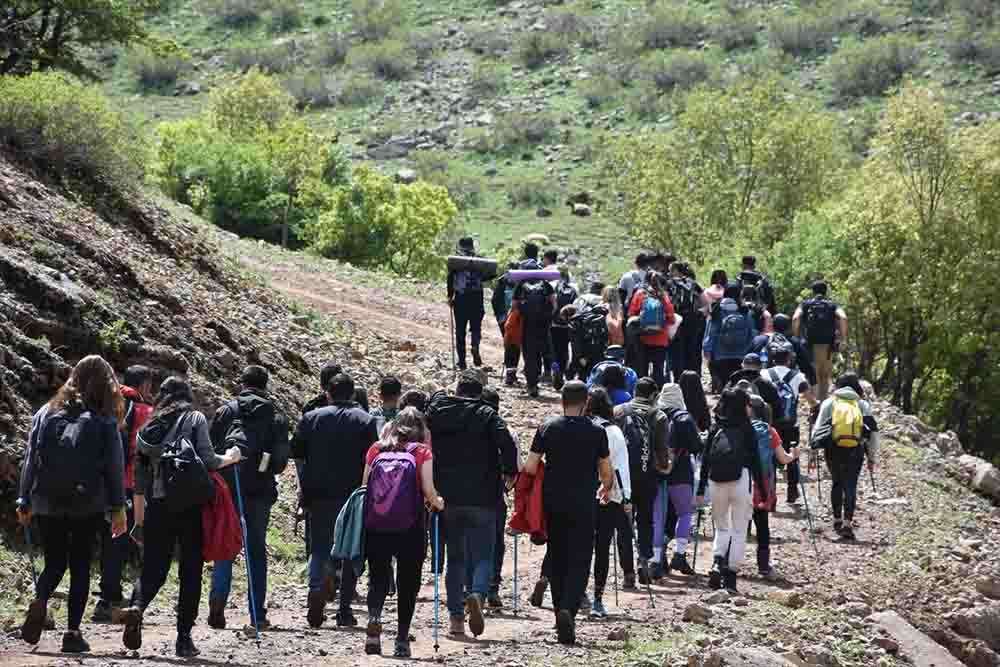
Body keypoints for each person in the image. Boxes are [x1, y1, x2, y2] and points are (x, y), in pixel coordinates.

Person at [123, 377, 242, 657]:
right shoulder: (195, 418)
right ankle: (184, 638)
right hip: (190, 508)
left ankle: (137, 607)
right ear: (187, 396)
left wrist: (139, 522)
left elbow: (139, 481)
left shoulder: (148, 427)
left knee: (153, 569)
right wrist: (232, 457)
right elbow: (209, 460)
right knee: (190, 572)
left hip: (156, 507)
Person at [17, 355, 128, 654]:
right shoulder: (104, 419)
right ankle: (72, 633)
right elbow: (114, 468)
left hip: (45, 499)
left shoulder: (45, 412)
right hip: (87, 502)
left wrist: (24, 498)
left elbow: (30, 458)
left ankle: (40, 599)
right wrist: (118, 507)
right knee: (80, 566)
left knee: (54, 562)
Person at [425, 371, 517, 637]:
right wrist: (509, 473)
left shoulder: (439, 411)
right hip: (484, 497)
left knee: (454, 558)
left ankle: (455, 618)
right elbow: (507, 444)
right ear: (478, 393)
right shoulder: (487, 415)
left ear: (457, 389)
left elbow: (423, 427)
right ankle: (476, 593)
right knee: (483, 555)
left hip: (448, 498)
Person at [524, 381, 612, 645]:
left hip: (553, 503)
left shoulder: (547, 427)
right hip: (584, 504)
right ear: (586, 402)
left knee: (559, 556)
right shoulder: (597, 431)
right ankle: (568, 610)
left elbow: (530, 466)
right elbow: (605, 471)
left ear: (561, 401)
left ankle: (559, 608)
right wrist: (605, 488)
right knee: (581, 558)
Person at [293, 373, 379, 629]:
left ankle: (316, 587)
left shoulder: (311, 418)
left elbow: (296, 451)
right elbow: (374, 458)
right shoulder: (366, 420)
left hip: (318, 493)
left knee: (320, 547)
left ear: (327, 393)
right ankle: (344, 610)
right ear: (352, 395)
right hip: (353, 496)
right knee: (352, 550)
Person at [208, 366, 290, 631]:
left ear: (241, 384)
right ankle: (257, 613)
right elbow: (279, 463)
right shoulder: (275, 416)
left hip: (228, 489)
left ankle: (217, 605)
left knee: (225, 544)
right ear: (266, 386)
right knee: (255, 550)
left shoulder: (226, 411)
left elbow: (210, 450)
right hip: (260, 492)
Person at [362, 408, 444, 657]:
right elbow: (429, 492)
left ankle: (374, 627)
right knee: (408, 582)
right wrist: (439, 502)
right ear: (421, 431)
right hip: (411, 525)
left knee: (377, 577)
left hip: (377, 524)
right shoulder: (422, 452)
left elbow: (364, 487)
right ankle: (400, 640)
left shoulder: (376, 449)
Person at [94, 365, 154, 623]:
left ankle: (110, 595)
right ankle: (110, 601)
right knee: (132, 540)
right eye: (150, 386)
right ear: (143, 386)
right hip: (131, 485)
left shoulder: (104, 407)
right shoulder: (144, 412)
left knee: (111, 541)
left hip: (101, 485)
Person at [695, 388, 762, 594]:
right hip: (740, 479)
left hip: (717, 480)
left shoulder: (717, 426)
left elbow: (705, 458)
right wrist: (762, 488)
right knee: (739, 530)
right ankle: (731, 577)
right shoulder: (747, 428)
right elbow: (756, 461)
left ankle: (716, 563)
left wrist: (701, 488)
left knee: (722, 527)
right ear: (743, 405)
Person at [811, 373, 880, 541]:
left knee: (837, 482)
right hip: (856, 449)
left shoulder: (829, 403)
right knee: (851, 484)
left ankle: (836, 520)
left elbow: (818, 428)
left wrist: (813, 451)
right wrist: (871, 457)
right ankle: (848, 523)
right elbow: (873, 433)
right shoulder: (862, 404)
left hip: (833, 448)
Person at [614, 377, 670, 585]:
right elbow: (662, 453)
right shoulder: (659, 415)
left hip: (622, 478)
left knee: (623, 525)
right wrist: (665, 466)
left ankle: (627, 572)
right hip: (647, 478)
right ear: (654, 395)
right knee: (646, 521)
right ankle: (643, 561)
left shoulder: (618, 411)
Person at [586, 387, 633, 618]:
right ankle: (597, 598)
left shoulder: (581, 427)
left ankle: (575, 594)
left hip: (580, 494)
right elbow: (621, 468)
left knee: (580, 546)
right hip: (607, 496)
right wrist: (626, 498)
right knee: (602, 547)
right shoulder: (613, 431)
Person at [654, 383, 703, 577]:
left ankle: (656, 561)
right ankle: (680, 554)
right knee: (684, 513)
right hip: (680, 472)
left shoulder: (654, 415)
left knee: (658, 517)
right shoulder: (684, 418)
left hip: (656, 473)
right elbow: (697, 446)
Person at [748, 395, 799, 578]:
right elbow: (783, 459)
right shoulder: (769, 432)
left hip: (740, 484)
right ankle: (763, 566)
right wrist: (794, 454)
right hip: (762, 486)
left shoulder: (738, 429)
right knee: (762, 526)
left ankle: (727, 564)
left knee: (735, 526)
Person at [762, 346, 817, 505]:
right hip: (790, 423)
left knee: (770, 457)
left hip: (769, 424)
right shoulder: (798, 376)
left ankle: (770, 494)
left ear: (772, 359)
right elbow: (810, 400)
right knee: (792, 454)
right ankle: (792, 491)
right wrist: (816, 406)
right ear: (789, 359)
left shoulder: (764, 374)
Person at [480, 386, 519, 609]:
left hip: (468, 492)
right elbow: (517, 469)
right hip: (496, 494)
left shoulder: (467, 426)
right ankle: (493, 588)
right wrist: (508, 485)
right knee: (496, 541)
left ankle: (471, 589)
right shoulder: (507, 430)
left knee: (471, 540)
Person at [793, 281, 848, 402]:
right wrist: (843, 339)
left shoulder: (806, 304)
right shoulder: (832, 305)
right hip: (828, 346)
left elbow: (796, 318)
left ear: (813, 291)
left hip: (810, 345)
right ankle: (824, 403)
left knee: (814, 375)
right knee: (825, 376)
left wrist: (796, 338)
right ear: (826, 291)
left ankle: (815, 405)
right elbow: (843, 317)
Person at [513, 261, 556, 398]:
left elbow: (514, 306)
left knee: (530, 355)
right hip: (543, 326)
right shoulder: (546, 284)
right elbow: (554, 304)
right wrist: (548, 317)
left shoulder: (520, 286)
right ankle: (554, 374)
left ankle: (532, 385)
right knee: (545, 351)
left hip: (527, 325)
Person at [704, 282, 757, 393]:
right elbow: (752, 334)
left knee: (724, 388)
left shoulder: (717, 310)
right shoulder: (745, 311)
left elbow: (710, 334)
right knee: (739, 388)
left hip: (720, 357)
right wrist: (746, 349)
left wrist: (707, 352)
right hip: (740, 356)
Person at [628, 271, 676, 386]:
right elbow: (672, 319)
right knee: (658, 370)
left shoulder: (640, 294)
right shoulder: (663, 296)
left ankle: (642, 394)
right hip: (660, 339)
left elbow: (631, 314)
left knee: (642, 370)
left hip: (642, 337)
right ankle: (657, 395)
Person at [448, 237, 486, 370]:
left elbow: (450, 278)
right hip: (477, 299)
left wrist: (450, 296)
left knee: (460, 330)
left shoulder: (456, 261)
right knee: (476, 328)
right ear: (472, 246)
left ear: (460, 246)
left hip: (461, 299)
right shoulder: (480, 259)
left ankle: (462, 361)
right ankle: (475, 346)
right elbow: (488, 276)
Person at [752, 313, 817, 387]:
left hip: (765, 382)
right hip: (788, 383)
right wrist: (813, 381)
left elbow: (750, 360)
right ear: (788, 327)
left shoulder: (759, 340)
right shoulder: (794, 342)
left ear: (772, 325)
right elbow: (805, 364)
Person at [667, 262, 706, 377]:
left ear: (676, 271)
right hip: (693, 320)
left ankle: (680, 377)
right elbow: (705, 302)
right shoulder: (693, 283)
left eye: (671, 270)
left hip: (677, 320)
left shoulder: (670, 284)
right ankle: (694, 376)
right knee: (692, 348)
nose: (669, 273)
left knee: (677, 350)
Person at [620, 252, 652, 373]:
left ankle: (630, 375)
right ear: (648, 264)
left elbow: (621, 298)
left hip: (632, 318)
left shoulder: (627, 277)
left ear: (635, 263)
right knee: (646, 349)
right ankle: (645, 374)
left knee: (631, 349)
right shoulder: (654, 277)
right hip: (651, 317)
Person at [492, 262, 522, 386]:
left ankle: (510, 374)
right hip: (517, 318)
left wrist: (499, 316)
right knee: (516, 345)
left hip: (504, 318)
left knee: (508, 344)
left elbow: (495, 299)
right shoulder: (521, 281)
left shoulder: (502, 281)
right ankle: (511, 373)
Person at [550, 266, 579, 390]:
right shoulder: (574, 288)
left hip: (554, 325)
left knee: (554, 351)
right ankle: (562, 371)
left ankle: (556, 371)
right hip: (568, 325)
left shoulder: (553, 286)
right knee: (565, 351)